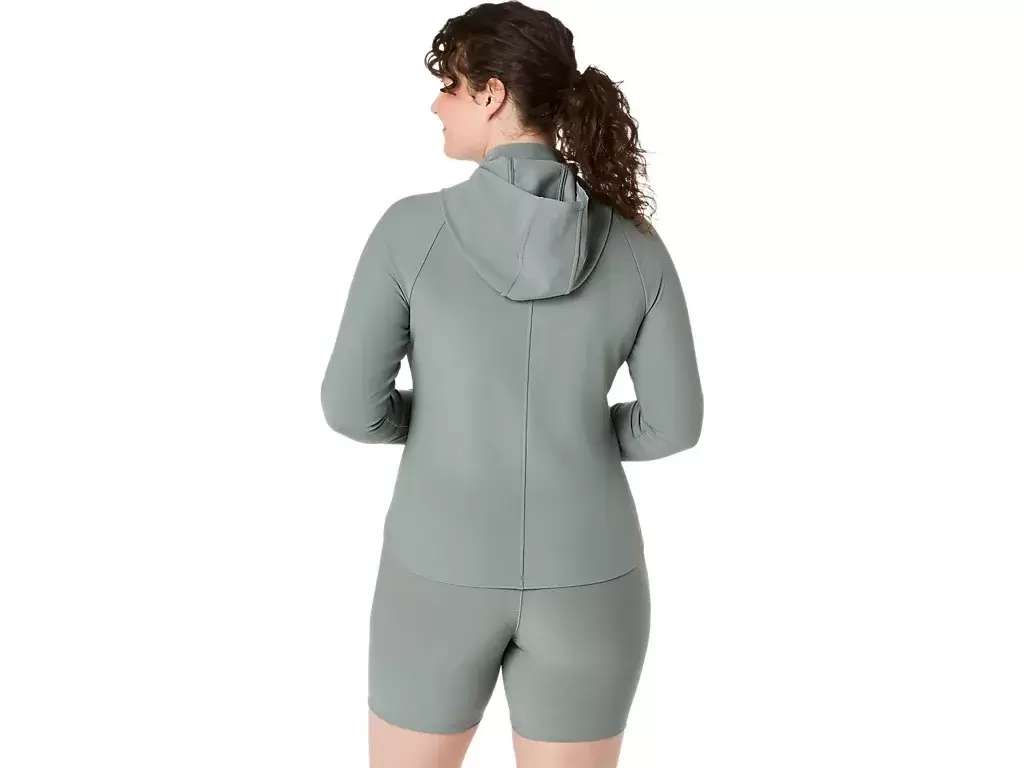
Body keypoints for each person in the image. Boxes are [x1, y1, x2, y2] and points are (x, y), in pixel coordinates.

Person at [319, 2, 703, 766]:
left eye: (449, 85)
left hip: (437, 570)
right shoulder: (635, 244)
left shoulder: (409, 232)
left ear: (491, 94)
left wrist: (443, 420)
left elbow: (352, 409)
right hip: (591, 576)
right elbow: (674, 424)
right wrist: (575, 428)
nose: (437, 105)